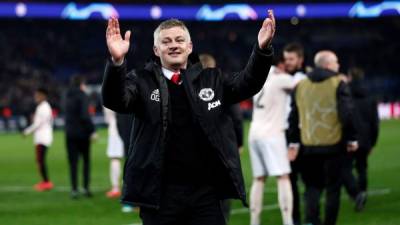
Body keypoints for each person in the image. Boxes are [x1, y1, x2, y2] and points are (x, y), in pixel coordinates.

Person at [102, 10, 275, 225]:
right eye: (166, 41)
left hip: (205, 192)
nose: (173, 45)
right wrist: (117, 62)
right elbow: (115, 100)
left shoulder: (212, 79)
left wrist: (262, 50)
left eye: (179, 40)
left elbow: (248, 83)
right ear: (157, 50)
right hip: (160, 194)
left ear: (190, 46)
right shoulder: (141, 81)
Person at [288, 50, 358, 225]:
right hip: (333, 146)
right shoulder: (338, 83)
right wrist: (351, 139)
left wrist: (294, 143)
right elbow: (347, 115)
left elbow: (293, 118)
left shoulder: (300, 85)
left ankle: (312, 221)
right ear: (327, 64)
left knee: (312, 188)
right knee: (333, 190)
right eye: (335, 62)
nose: (338, 65)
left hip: (308, 146)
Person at [248, 57, 295, 225]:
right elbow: (298, 84)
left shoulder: (259, 78)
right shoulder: (280, 77)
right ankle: (288, 221)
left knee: (259, 178)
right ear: (281, 65)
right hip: (273, 134)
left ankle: (254, 221)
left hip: (254, 134)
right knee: (283, 177)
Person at [199, 53, 244, 223]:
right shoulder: (222, 84)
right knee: (223, 192)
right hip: (222, 149)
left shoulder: (185, 85)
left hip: (196, 151)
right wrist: (239, 142)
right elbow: (237, 117)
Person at [342, 67, 380, 211]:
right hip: (365, 140)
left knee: (345, 168)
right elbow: (375, 123)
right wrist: (373, 142)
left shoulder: (344, 92)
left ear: (350, 77)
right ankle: (362, 194)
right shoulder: (370, 96)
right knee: (362, 168)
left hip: (348, 138)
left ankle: (355, 193)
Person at [283, 42, 307, 225]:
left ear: (300, 60)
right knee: (290, 181)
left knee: (309, 180)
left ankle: (309, 217)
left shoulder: (302, 80)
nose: (288, 62)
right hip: (285, 135)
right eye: (286, 59)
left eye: (291, 59)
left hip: (302, 135)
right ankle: (296, 219)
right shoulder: (284, 77)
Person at [64, 75, 96, 199]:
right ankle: (85, 188)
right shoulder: (83, 96)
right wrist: (92, 130)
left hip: (70, 133)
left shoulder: (67, 96)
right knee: (86, 162)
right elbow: (85, 116)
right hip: (82, 134)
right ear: (82, 84)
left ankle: (74, 189)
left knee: (73, 163)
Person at [23, 87, 54, 191]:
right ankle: (45, 181)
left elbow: (37, 124)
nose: (35, 97)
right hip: (42, 137)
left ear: (43, 96)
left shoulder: (44, 107)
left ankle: (46, 182)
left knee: (40, 160)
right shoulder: (43, 107)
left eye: (38, 95)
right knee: (40, 160)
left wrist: (26, 132)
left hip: (43, 138)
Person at [104, 107, 125, 199]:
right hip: (129, 127)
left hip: (115, 128)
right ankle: (127, 187)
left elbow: (107, 116)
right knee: (131, 158)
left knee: (115, 158)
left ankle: (116, 188)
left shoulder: (110, 93)